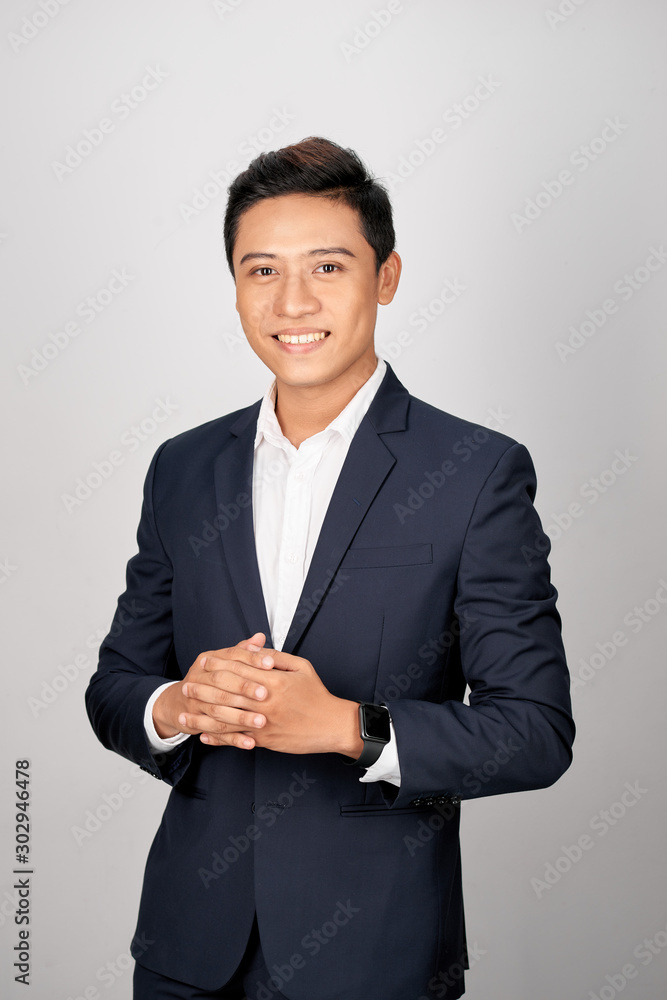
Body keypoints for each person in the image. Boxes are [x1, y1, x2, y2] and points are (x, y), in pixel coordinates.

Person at [85, 136, 575, 1000]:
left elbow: (534, 731)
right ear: (234, 285)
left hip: (372, 958)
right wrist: (177, 703)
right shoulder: (182, 468)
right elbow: (117, 685)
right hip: (183, 954)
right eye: (261, 271)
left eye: (327, 266)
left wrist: (354, 727)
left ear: (385, 277)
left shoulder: (473, 471)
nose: (292, 301)